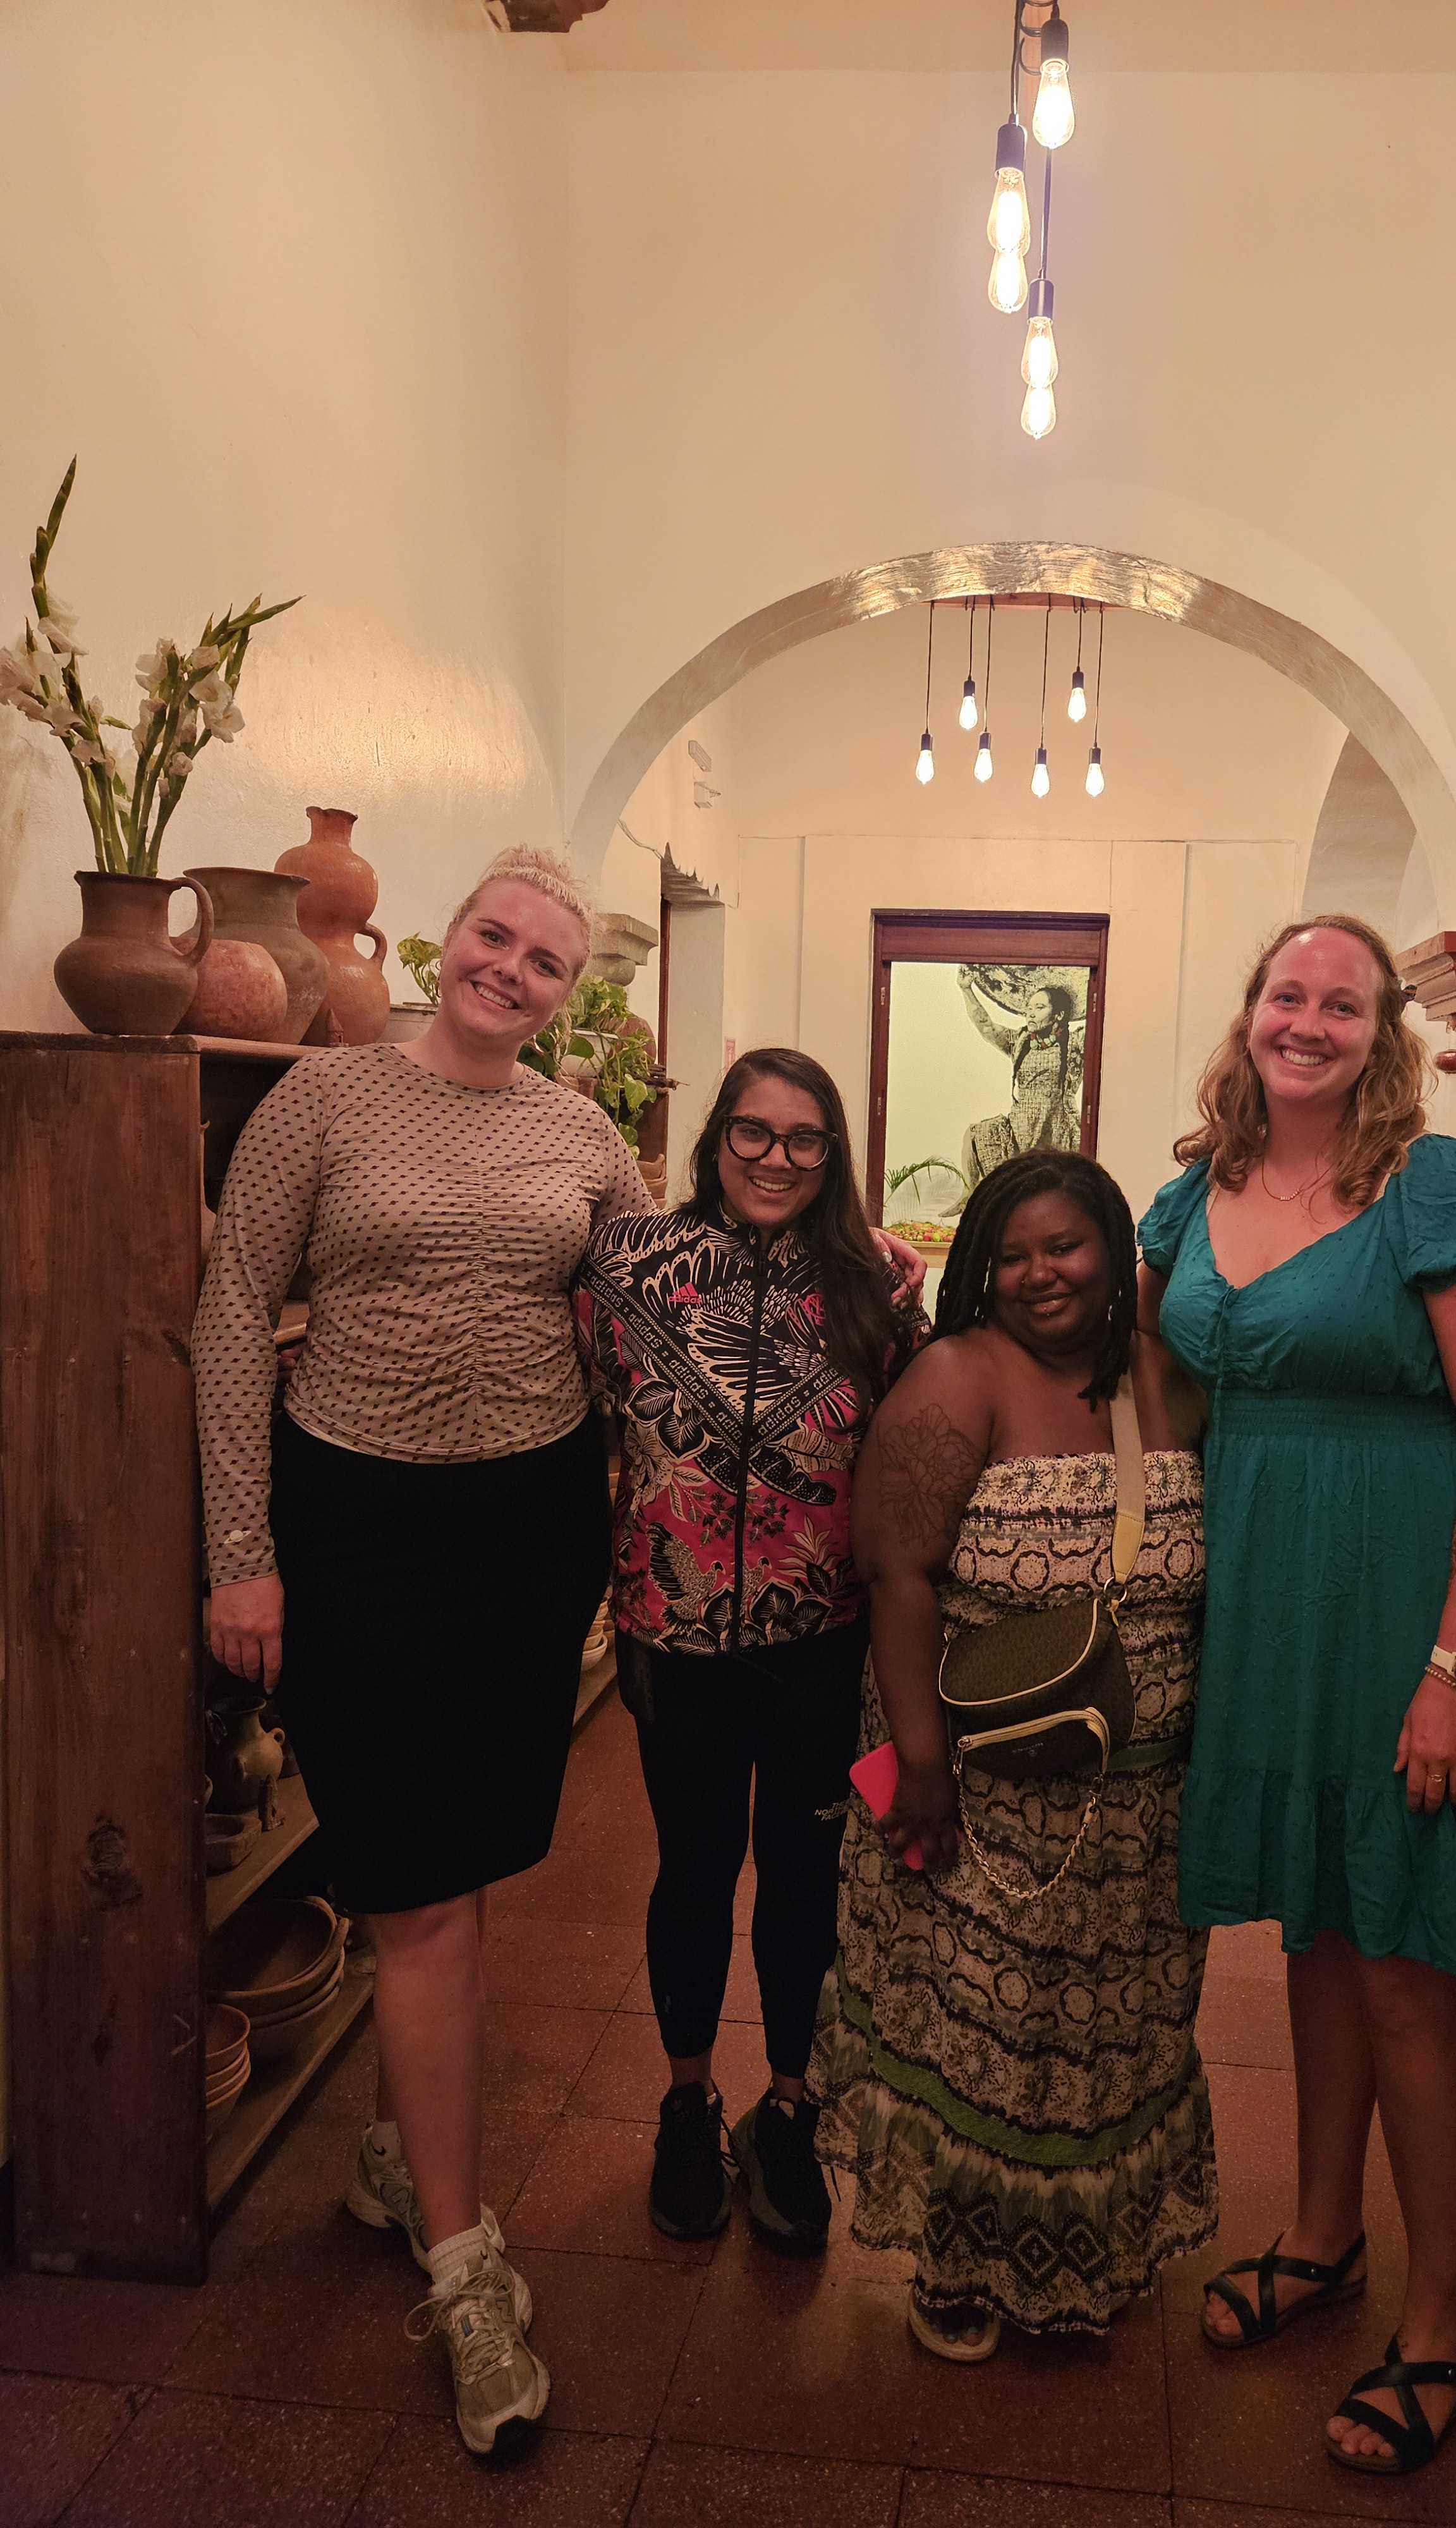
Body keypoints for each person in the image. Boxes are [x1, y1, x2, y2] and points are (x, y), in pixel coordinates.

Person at [195, 845, 651, 2457]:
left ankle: (397, 2160)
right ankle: (464, 2272)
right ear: (438, 940)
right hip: (359, 1529)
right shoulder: (322, 1099)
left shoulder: (583, 1134)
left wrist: (842, 1279)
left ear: (565, 994)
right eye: (492, 936)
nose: (508, 970)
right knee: (419, 1893)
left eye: (543, 960)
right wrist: (241, 1552)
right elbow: (234, 1308)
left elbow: (659, 1311)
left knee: (454, 1870)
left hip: (527, 1531)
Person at [1137, 914, 1456, 2477]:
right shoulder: (1192, 1190)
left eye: (1342, 1001)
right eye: (1286, 992)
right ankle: (1322, 2235)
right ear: (1249, 1009)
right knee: (1315, 1934)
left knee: (1399, 1960)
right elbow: (1152, 1384)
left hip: (1407, 1599)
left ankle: (1440, 2318)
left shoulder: (1432, 1186)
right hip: (1269, 1602)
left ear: (1382, 1029)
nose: (1307, 1020)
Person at [811, 1150, 1216, 2359]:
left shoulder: (1162, 1374)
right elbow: (896, 1574)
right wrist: (922, 1767)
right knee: (983, 2033)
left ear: (1113, 1254)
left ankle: (1085, 2241)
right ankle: (960, 2257)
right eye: (1013, 1254)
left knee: (1116, 2033)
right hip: (987, 1796)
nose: (1041, 1274)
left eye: (1065, 1247)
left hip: (1139, 1807)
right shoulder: (957, 1375)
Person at [574, 1048, 926, 2255]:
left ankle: (788, 2108)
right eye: (754, 1132)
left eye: (804, 1137)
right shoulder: (625, 1265)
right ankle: (686, 2103)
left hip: (824, 1638)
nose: (777, 1157)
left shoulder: (875, 1286)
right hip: (674, 1636)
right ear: (717, 1135)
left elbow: (918, 1441)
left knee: (804, 1874)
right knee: (692, 1867)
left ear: (833, 1152)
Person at [957, 968, 1082, 1191]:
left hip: (1057, 1130)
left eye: (1039, 1008)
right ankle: (971, 1195)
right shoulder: (1021, 1041)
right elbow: (986, 1026)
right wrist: (966, 989)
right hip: (1020, 1131)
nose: (1030, 1014)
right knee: (976, 1134)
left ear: (1059, 1015)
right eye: (1029, 1008)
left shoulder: (1075, 1044)